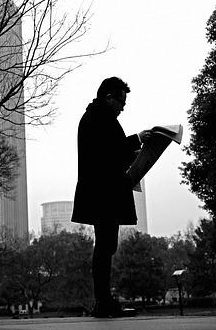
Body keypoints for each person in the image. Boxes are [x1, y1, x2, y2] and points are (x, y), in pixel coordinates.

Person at [71, 77, 152, 318]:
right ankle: (103, 302)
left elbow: (109, 151)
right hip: (103, 193)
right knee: (105, 246)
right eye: (121, 101)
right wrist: (137, 139)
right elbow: (112, 150)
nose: (123, 107)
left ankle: (103, 301)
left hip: (102, 192)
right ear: (109, 97)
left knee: (106, 245)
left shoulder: (96, 117)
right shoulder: (99, 118)